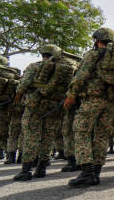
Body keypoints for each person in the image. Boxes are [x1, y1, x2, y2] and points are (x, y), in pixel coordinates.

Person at [64, 28, 114, 187]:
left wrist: (71, 94)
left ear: (97, 39)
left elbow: (81, 75)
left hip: (93, 98)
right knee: (102, 135)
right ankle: (96, 172)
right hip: (112, 101)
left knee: (81, 131)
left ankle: (87, 172)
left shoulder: (93, 54)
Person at [13, 45, 75, 181]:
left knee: (31, 136)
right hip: (54, 106)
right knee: (48, 137)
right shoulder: (67, 68)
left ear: (43, 54)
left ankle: (26, 170)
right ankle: (41, 168)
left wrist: (18, 96)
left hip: (35, 104)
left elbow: (23, 84)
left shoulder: (35, 66)